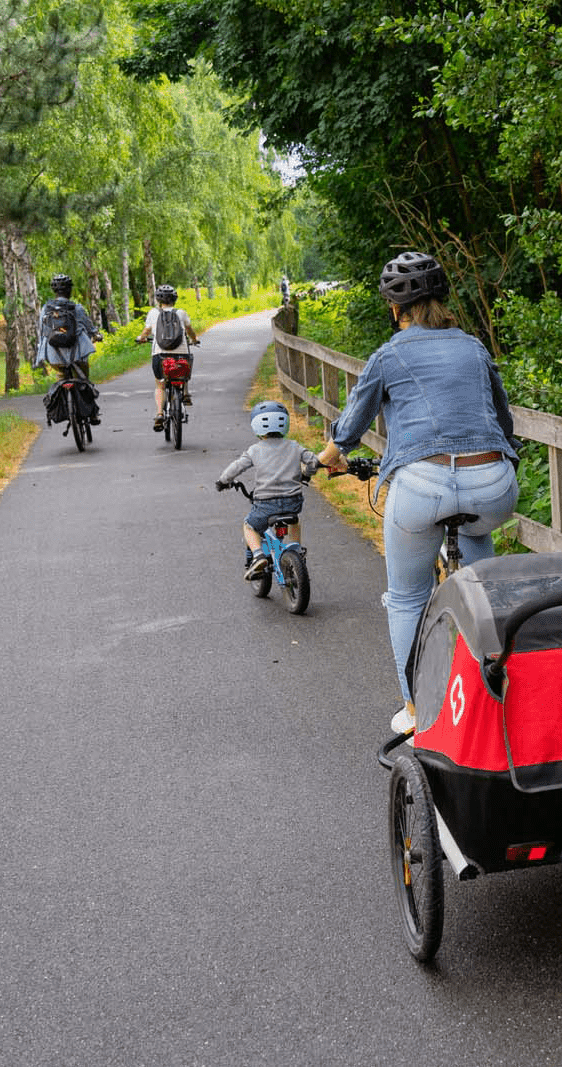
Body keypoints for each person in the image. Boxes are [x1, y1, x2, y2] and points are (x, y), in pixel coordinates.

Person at [317, 251, 521, 734]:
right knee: (481, 577)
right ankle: (500, 686)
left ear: (395, 308)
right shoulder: (473, 348)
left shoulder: (389, 355)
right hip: (492, 484)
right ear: (441, 299)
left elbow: (349, 428)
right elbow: (503, 419)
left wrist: (325, 460)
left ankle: (417, 713)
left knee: (408, 597)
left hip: (422, 487)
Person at [215, 401, 322, 579]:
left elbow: (236, 467)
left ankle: (258, 555)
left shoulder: (254, 450)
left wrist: (223, 481)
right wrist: (306, 475)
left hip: (266, 504)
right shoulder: (295, 446)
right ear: (285, 424)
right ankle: (296, 549)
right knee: (294, 521)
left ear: (256, 426)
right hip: (293, 502)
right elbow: (314, 461)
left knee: (250, 526)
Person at [35, 274, 102, 424]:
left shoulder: (46, 309)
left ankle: (63, 407)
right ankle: (92, 414)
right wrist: (96, 335)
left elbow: (41, 330)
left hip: (55, 356)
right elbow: (89, 327)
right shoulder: (76, 308)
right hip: (76, 355)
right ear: (70, 290)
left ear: (54, 291)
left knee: (60, 377)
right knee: (83, 381)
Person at [136, 284, 200, 432]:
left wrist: (141, 338)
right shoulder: (181, 313)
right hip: (181, 353)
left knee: (160, 384)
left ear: (159, 300)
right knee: (183, 371)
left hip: (160, 354)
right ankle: (185, 394)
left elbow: (146, 331)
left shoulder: (153, 313)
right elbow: (189, 330)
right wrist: (195, 340)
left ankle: (159, 413)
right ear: (174, 299)